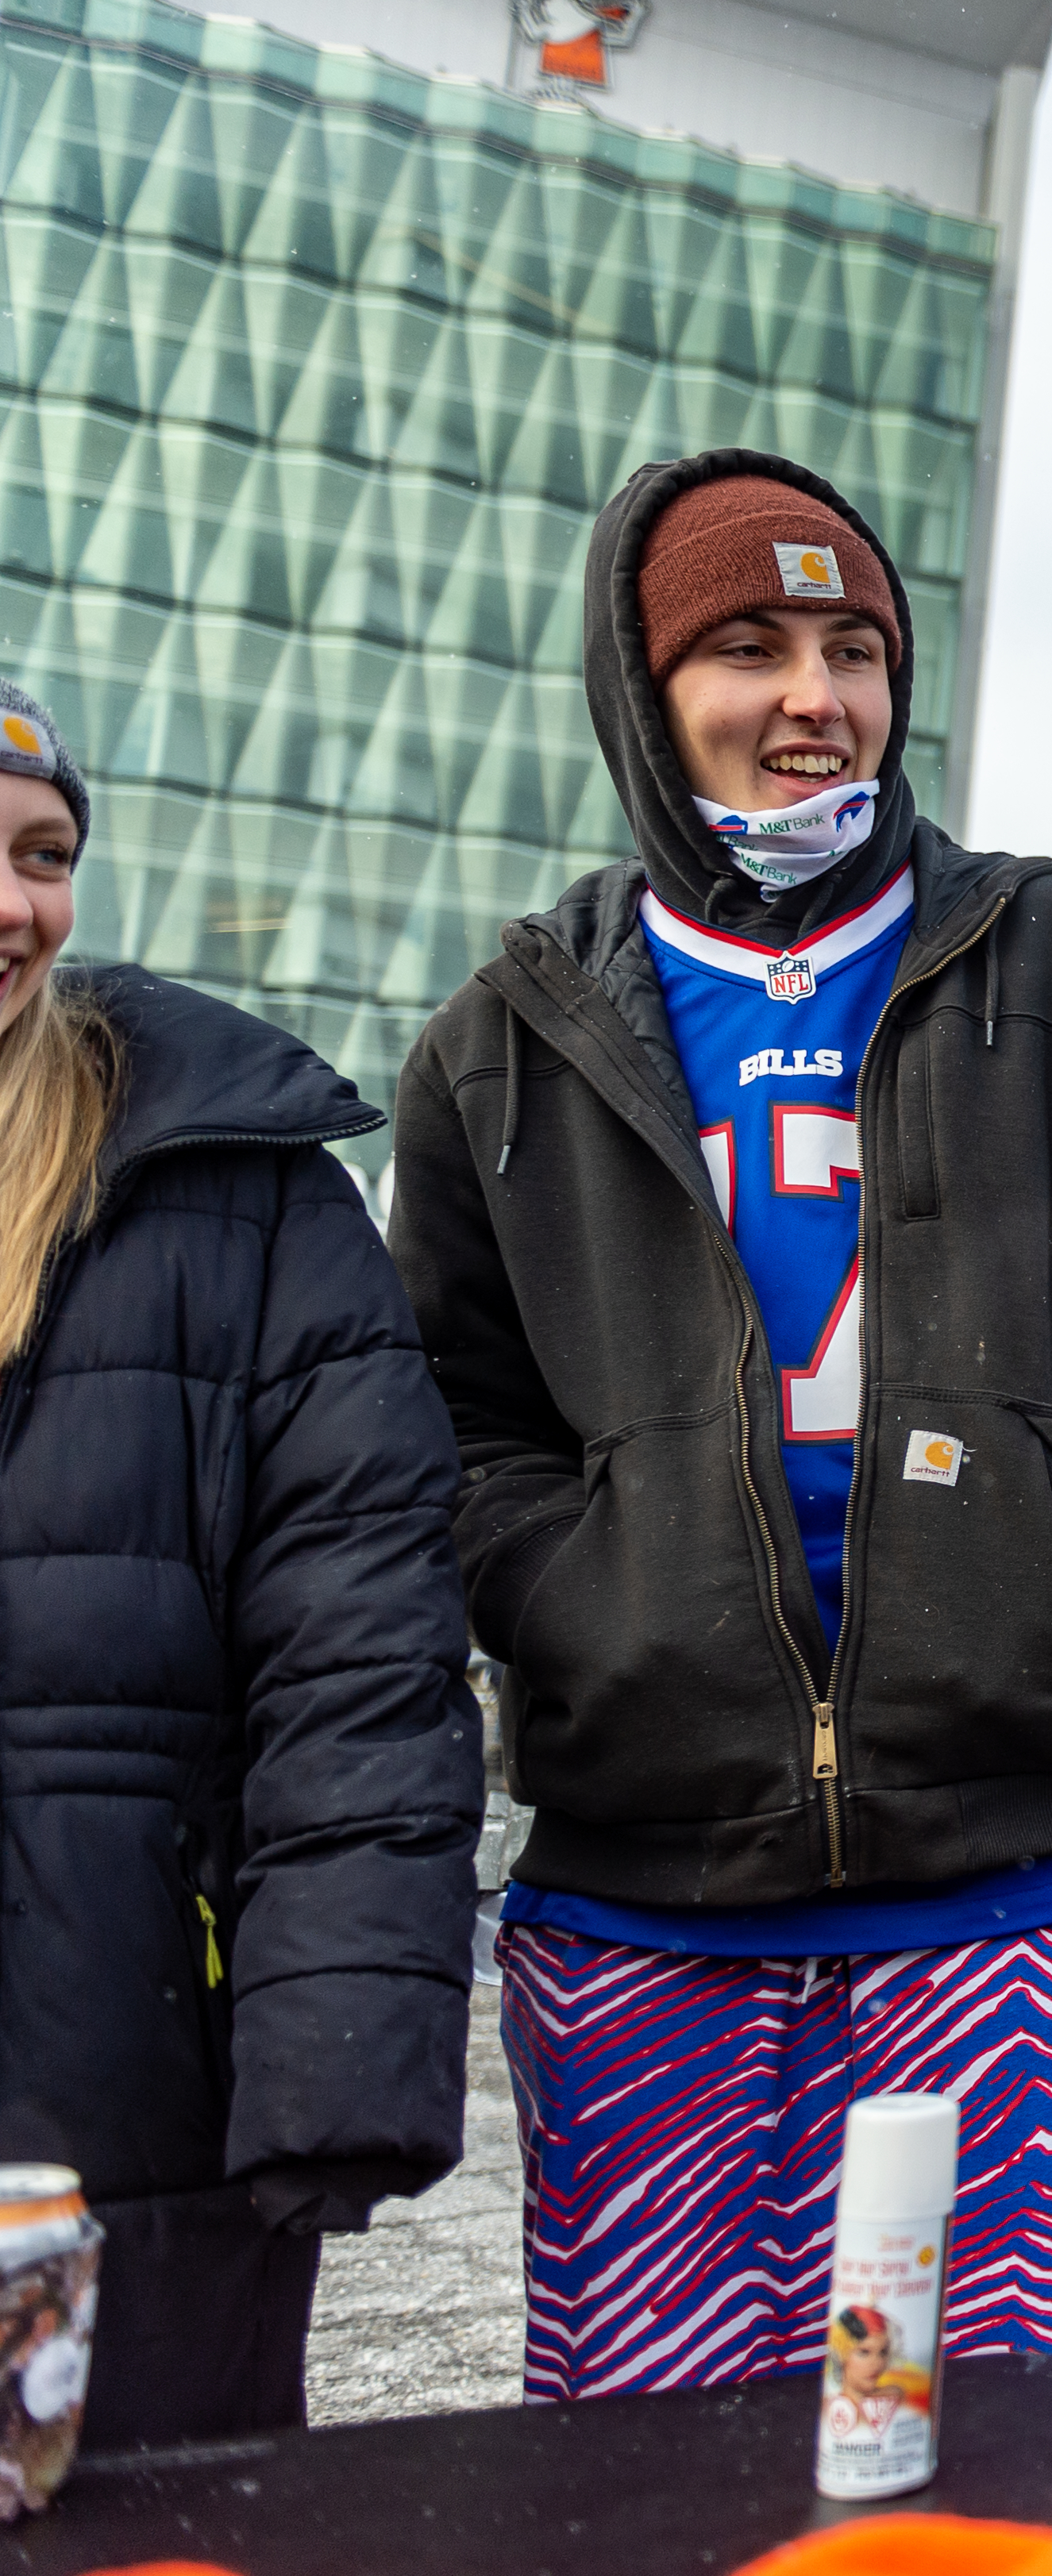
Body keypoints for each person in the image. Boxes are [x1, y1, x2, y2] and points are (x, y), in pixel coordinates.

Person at [389, 452, 1052, 2548]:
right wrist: (581, 1593)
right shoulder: (504, 1041)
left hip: (1050, 1885)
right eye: (746, 647)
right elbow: (444, 1408)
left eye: (852, 649)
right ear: (646, 692)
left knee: (1026, 2500)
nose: (810, 696)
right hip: (658, 1905)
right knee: (665, 2504)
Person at [0, 676, 480, 2450]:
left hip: (127, 2094)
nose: (15, 902)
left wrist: (330, 2060)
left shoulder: (245, 1188)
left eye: (44, 856)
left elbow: (356, 1647)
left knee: (143, 2523)